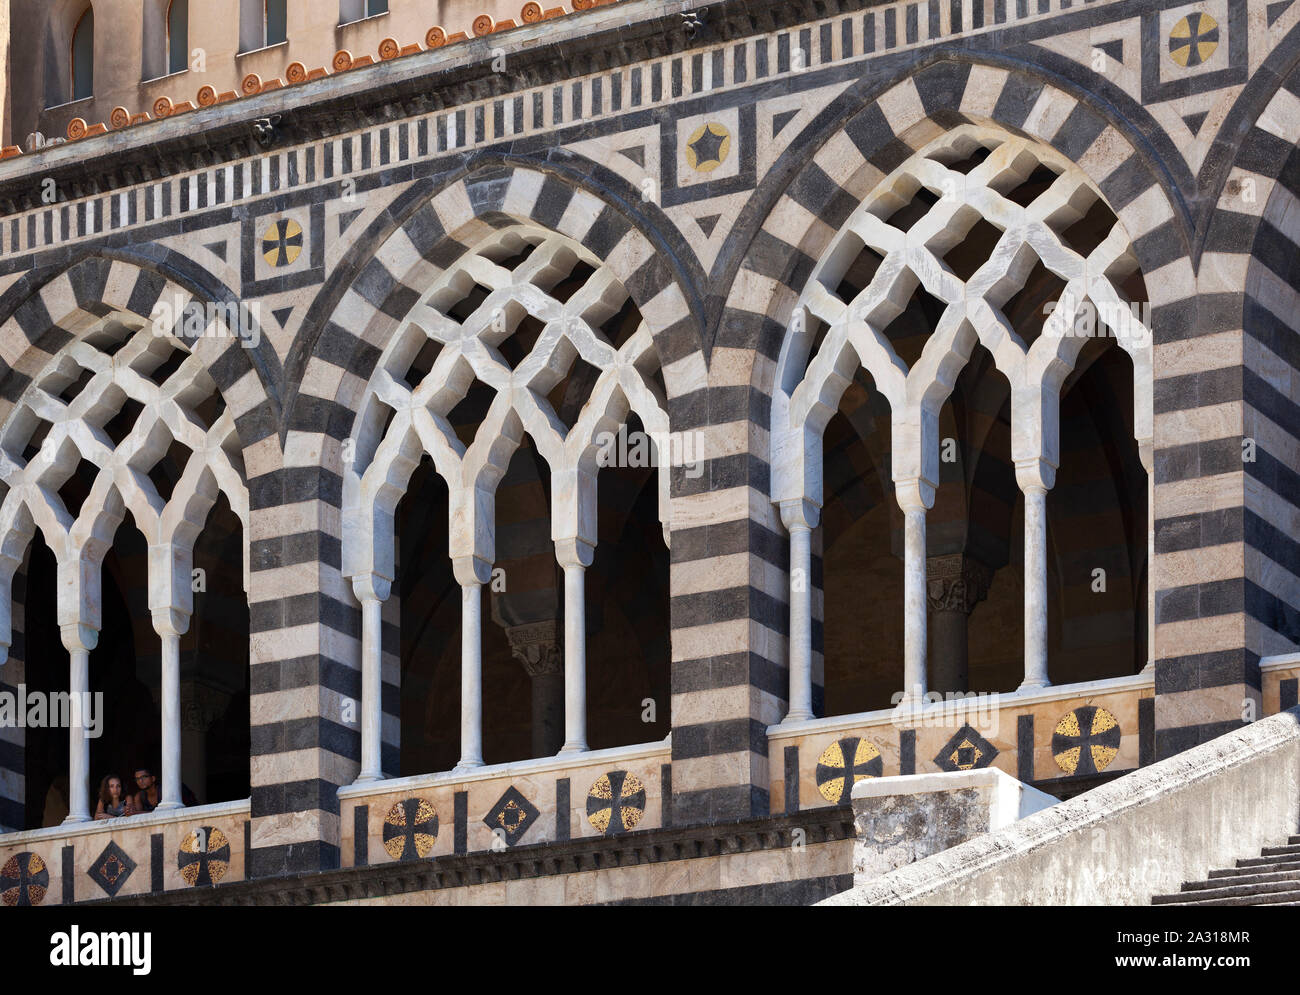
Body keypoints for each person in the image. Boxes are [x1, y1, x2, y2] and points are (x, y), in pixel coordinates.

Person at [132, 767, 197, 811]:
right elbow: (138, 815)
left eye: (144, 777)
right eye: (137, 779)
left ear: (153, 778)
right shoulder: (139, 796)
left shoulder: (165, 790)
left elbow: (169, 811)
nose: (140, 781)